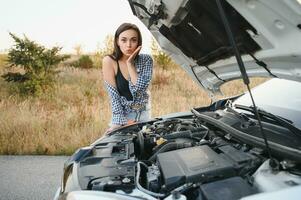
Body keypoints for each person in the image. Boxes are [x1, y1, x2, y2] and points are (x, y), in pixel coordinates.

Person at [102, 23, 153, 133]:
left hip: (144, 114)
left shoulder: (146, 60)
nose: (128, 45)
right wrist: (121, 123)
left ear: (138, 42)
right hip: (123, 116)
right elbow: (114, 96)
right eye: (124, 40)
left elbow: (140, 90)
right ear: (117, 41)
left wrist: (130, 64)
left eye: (133, 40)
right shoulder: (109, 61)